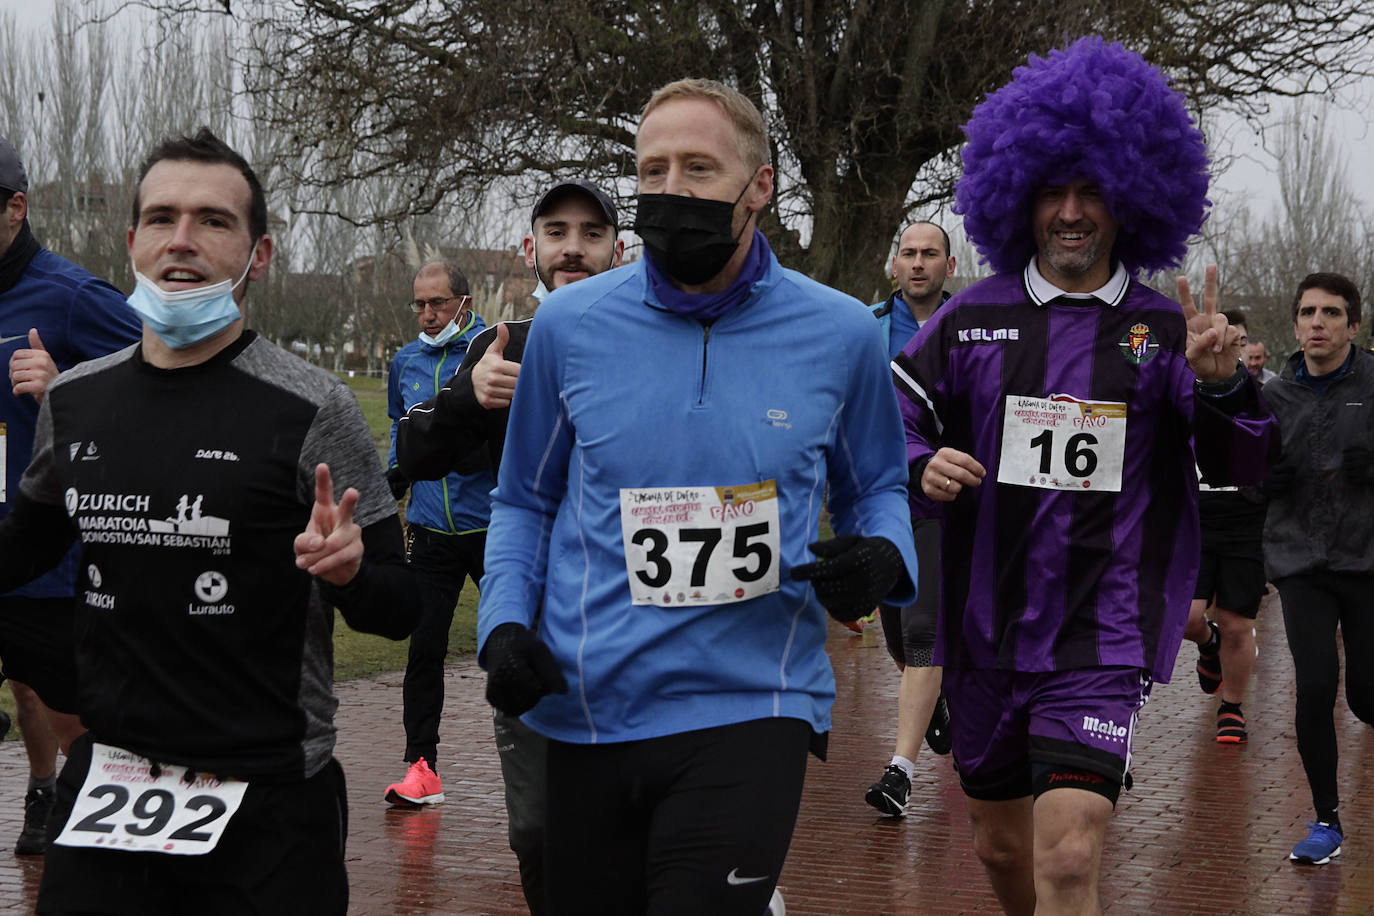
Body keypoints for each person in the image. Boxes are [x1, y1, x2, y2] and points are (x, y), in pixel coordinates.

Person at [476, 78, 917, 915]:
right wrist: (503, 625)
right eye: (653, 171)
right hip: (590, 704)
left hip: (754, 699)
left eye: (698, 169)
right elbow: (524, 501)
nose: (670, 191)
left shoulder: (842, 334)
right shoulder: (570, 326)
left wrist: (884, 556)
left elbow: (878, 488)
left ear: (759, 185)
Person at [893, 38, 1277, 914]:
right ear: (1017, 199)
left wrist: (1224, 387)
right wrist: (922, 462)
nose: (1070, 213)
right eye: (1051, 193)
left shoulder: (1164, 331)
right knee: (1000, 845)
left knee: (1068, 853)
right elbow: (892, 420)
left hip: (1099, 637)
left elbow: (1243, 465)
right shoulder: (970, 317)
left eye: (1092, 191)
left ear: (1131, 198)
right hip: (983, 630)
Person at [0, 127, 418, 914]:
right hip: (112, 784)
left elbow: (400, 607)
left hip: (269, 793)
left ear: (259, 255)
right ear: (132, 241)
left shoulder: (313, 407)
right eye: (162, 218)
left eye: (214, 220)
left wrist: (354, 573)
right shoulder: (76, 399)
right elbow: (23, 548)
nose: (182, 239)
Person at [395, 178, 622, 915]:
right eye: (557, 232)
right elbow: (415, 450)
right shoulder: (501, 347)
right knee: (536, 832)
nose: (573, 249)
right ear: (532, 249)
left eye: (591, 233)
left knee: (635, 832)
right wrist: (471, 396)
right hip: (533, 625)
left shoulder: (652, 341)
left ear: (619, 250)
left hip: (634, 626)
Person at [0, 133, 142, 856]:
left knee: (53, 703)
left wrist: (66, 387)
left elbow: (162, 380)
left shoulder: (73, 296)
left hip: (45, 549)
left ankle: (81, 807)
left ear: (15, 208)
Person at [1262, 271, 1374, 866]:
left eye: (1331, 313)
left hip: (1367, 559)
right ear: (1296, 324)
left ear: (1353, 325)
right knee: (1314, 687)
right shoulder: (1273, 396)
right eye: (1308, 312)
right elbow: (1237, 465)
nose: (1318, 323)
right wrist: (1262, 480)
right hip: (1301, 559)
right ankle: (1327, 820)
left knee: (1366, 697)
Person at [381, 261, 490, 808]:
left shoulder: (492, 350)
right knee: (424, 649)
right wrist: (390, 480)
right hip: (429, 530)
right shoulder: (405, 361)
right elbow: (400, 434)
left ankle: (552, 758)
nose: (427, 314)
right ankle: (421, 768)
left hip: (494, 526)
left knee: (520, 643)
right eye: (419, 304)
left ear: (464, 303)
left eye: (438, 303)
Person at [865, 220, 956, 817]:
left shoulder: (971, 325)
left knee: (924, 631)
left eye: (929, 254)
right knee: (899, 637)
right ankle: (936, 699)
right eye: (908, 253)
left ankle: (900, 771)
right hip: (879, 499)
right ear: (894, 264)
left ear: (950, 265)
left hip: (942, 502)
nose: (918, 263)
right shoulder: (866, 328)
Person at [1182, 308, 1268, 744]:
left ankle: (1232, 706)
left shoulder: (1262, 396)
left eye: (1240, 341)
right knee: (1186, 617)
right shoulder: (1184, 389)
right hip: (1192, 516)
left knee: (1237, 623)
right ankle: (1207, 643)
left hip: (1243, 519)